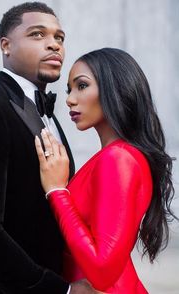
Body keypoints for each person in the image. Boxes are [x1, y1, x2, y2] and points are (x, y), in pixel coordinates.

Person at [0, 2, 99, 294]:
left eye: (59, 38)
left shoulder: (49, 115)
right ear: (6, 45)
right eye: (38, 35)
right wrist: (58, 291)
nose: (54, 44)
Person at [35, 48, 178, 293]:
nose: (69, 99)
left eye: (82, 86)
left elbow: (102, 271)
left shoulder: (118, 159)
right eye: (70, 89)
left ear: (115, 88)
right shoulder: (116, 156)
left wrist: (57, 191)